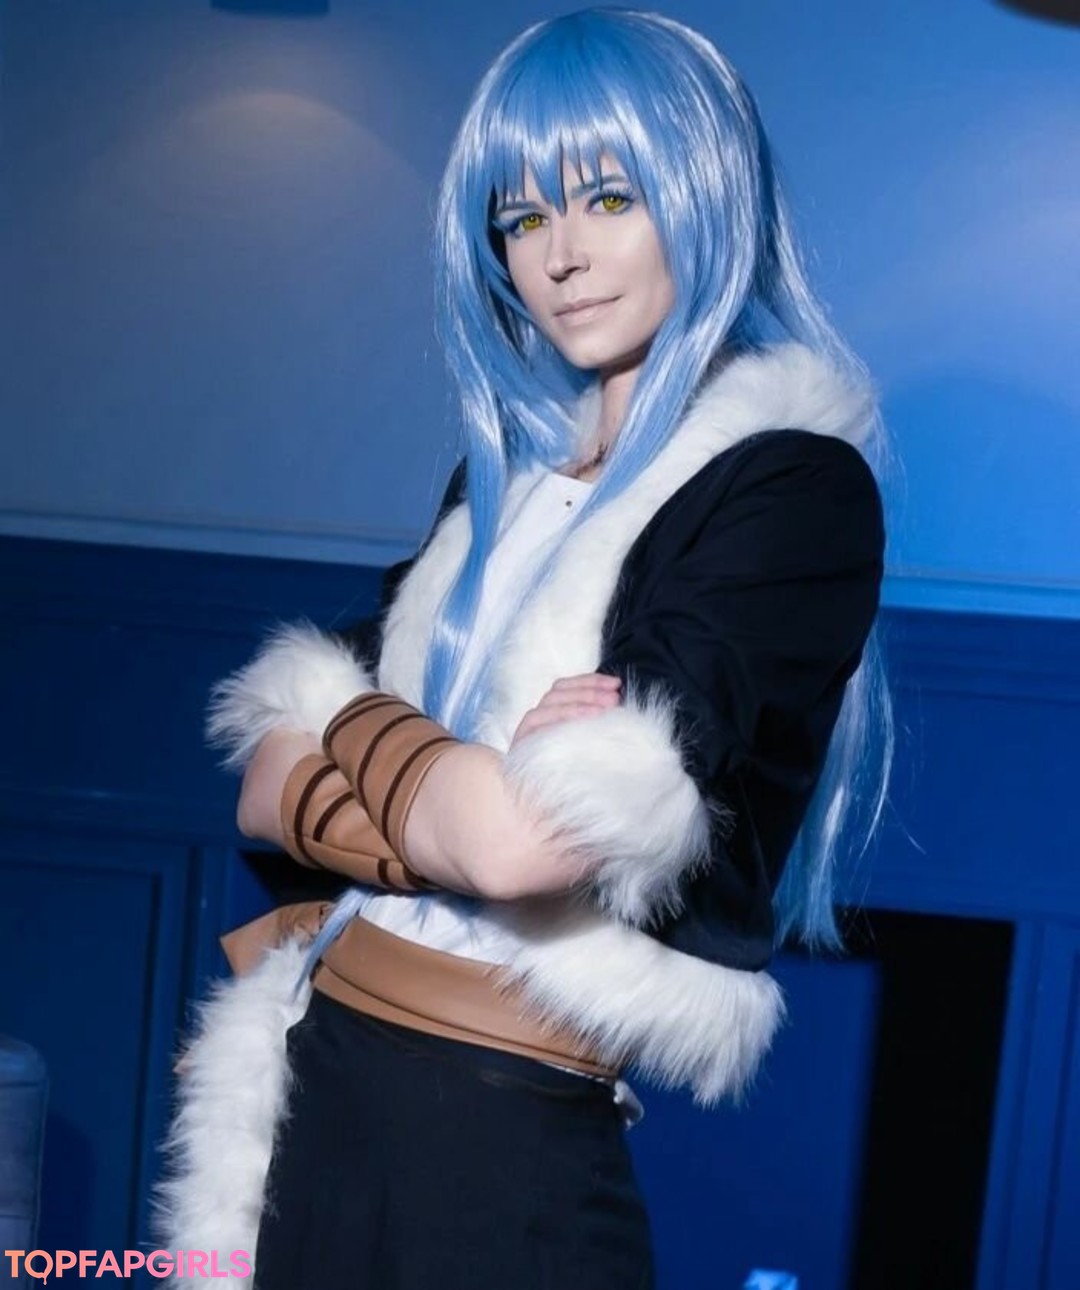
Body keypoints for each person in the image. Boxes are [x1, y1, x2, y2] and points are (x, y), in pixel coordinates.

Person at [156, 9, 890, 1288]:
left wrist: (358, 735)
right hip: (315, 1081)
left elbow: (517, 847)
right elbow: (262, 784)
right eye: (522, 216)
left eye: (609, 198)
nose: (560, 256)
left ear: (704, 192)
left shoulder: (790, 486)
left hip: (496, 1134)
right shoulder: (502, 484)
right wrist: (450, 795)